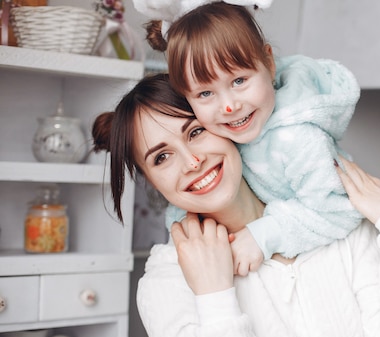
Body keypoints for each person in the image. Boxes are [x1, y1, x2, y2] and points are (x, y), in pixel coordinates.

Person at [92, 73, 380, 337]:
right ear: (152, 181)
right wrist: (215, 297)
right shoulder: (168, 282)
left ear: (226, 123)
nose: (192, 161)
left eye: (196, 131)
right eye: (161, 157)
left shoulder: (336, 222)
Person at [134, 0, 363, 275]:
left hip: (338, 265)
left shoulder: (299, 139)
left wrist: (263, 235)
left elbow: (339, 209)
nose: (229, 106)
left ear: (268, 62)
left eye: (239, 81)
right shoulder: (224, 137)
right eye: (205, 94)